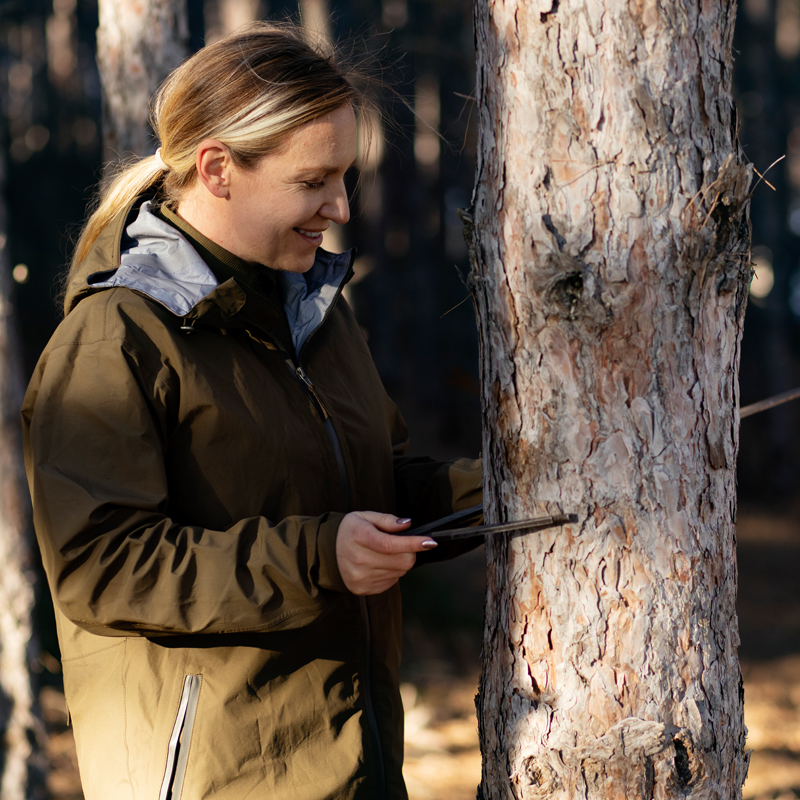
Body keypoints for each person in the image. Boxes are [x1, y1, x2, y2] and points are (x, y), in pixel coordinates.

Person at [21, 22, 481, 800]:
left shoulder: (315, 315)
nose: (338, 206)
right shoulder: (116, 339)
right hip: (218, 781)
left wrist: (511, 488)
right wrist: (317, 557)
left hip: (350, 767)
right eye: (313, 182)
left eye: (344, 179)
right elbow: (102, 567)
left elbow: (377, 492)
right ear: (218, 169)